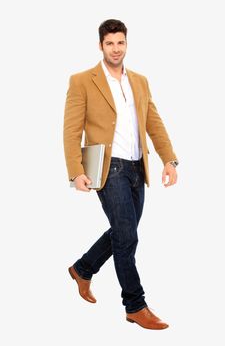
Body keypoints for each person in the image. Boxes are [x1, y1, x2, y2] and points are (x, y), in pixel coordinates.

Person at [63, 19, 179, 330]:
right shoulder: (82, 80)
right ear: (100, 45)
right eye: (110, 43)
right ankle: (135, 305)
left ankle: (83, 268)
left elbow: (154, 122)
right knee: (127, 236)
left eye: (121, 43)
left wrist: (169, 159)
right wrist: (75, 172)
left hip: (137, 168)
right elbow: (71, 130)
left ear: (127, 44)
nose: (116, 48)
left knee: (121, 232)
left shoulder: (139, 81)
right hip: (107, 167)